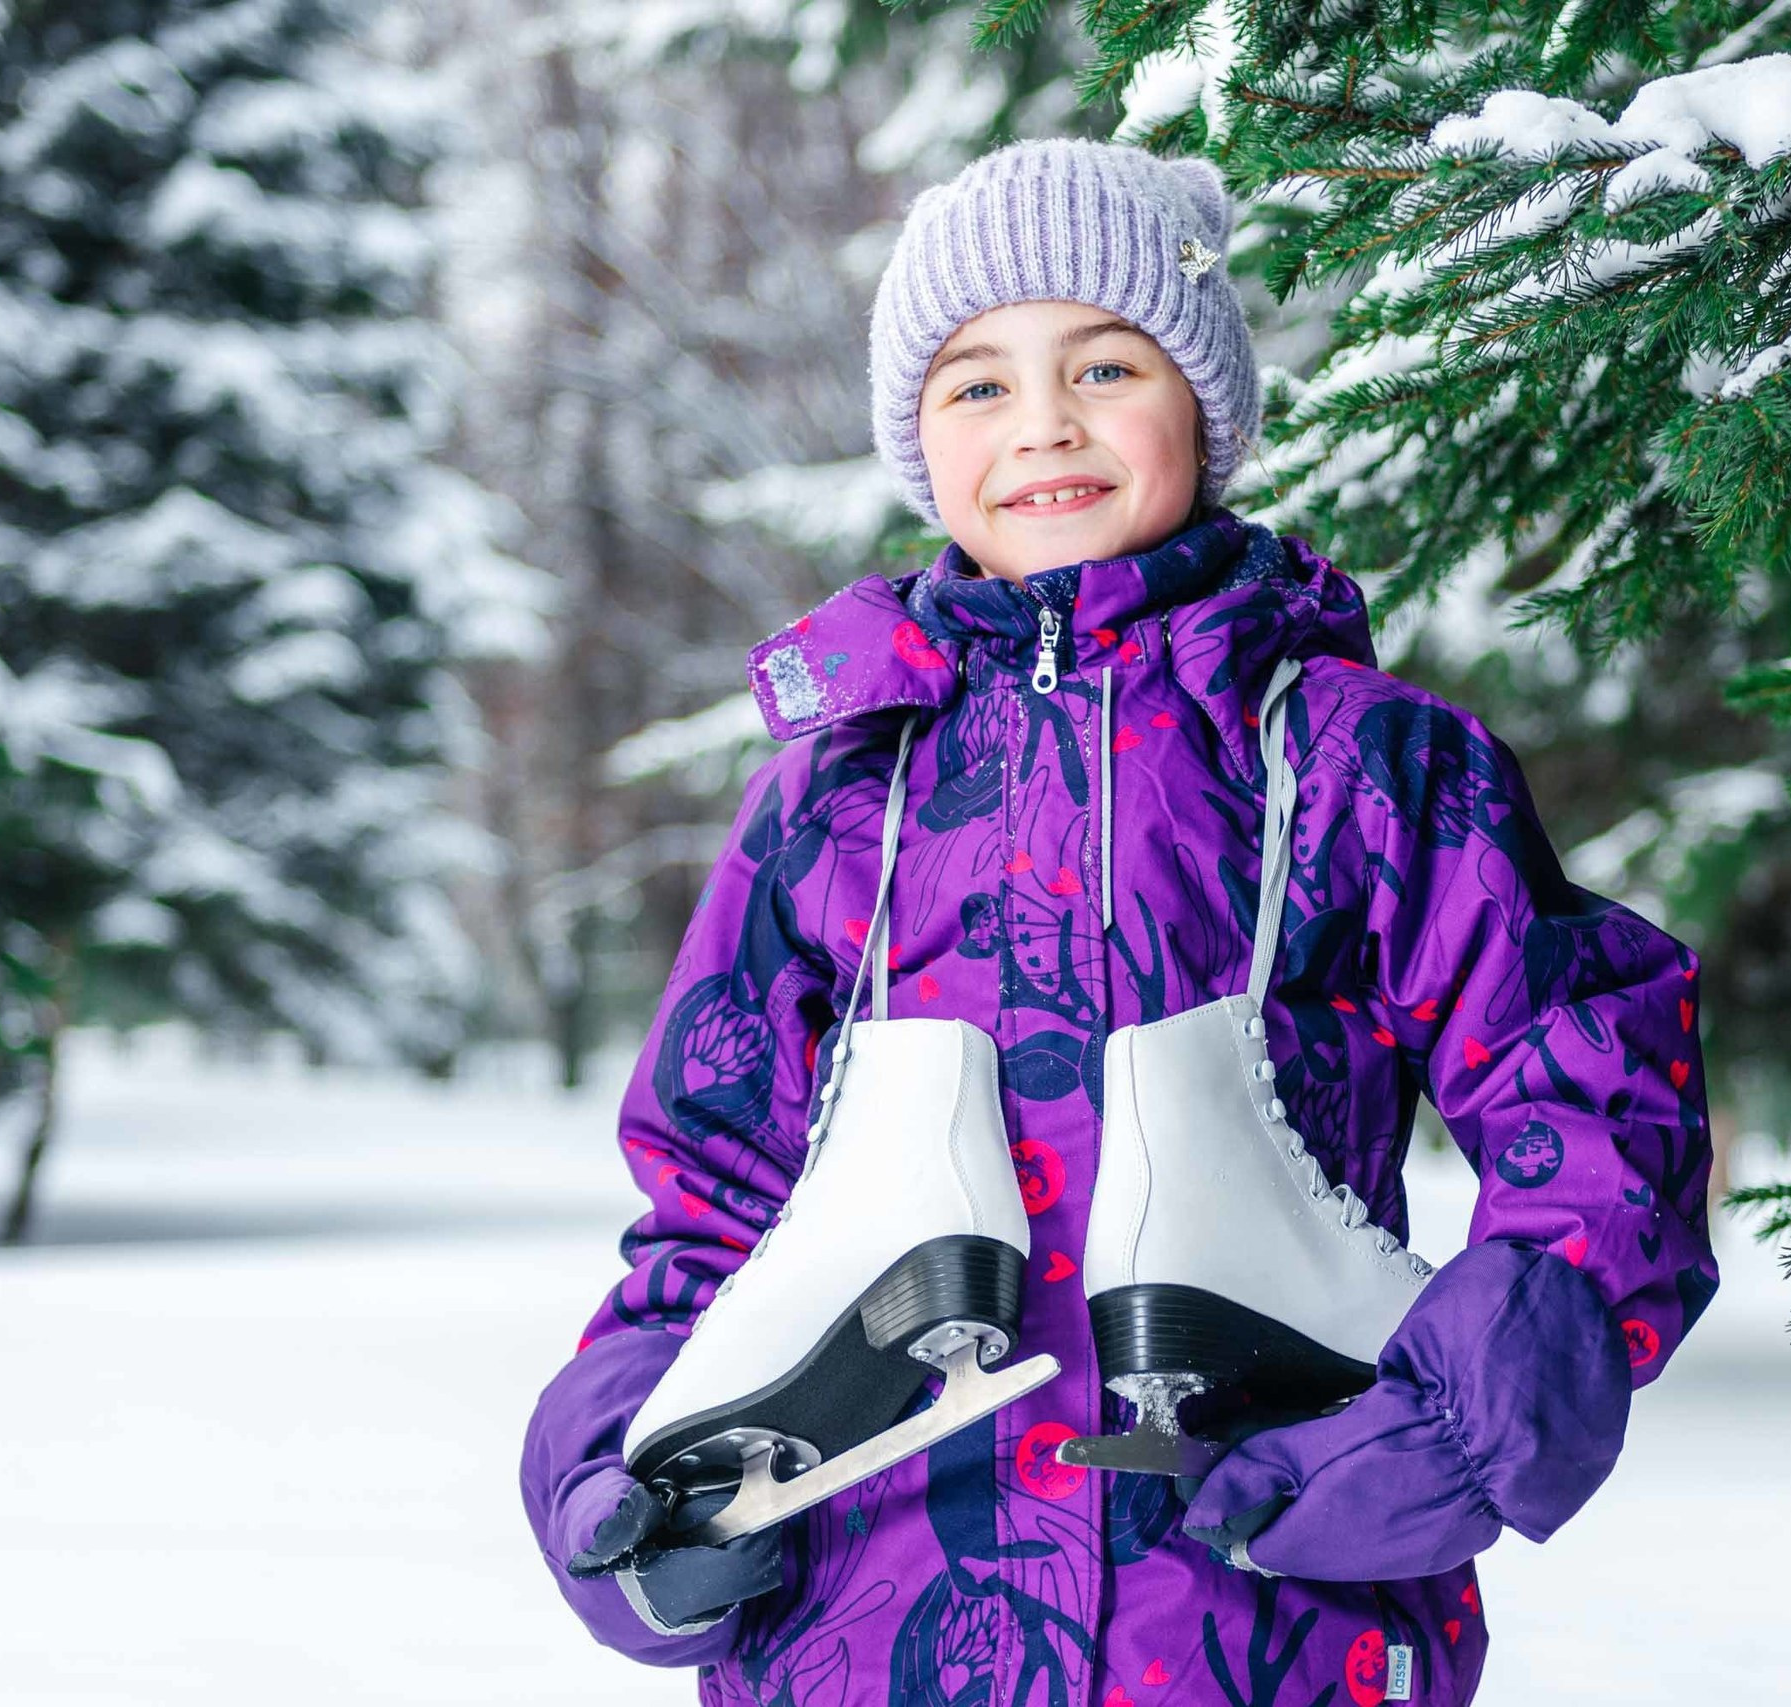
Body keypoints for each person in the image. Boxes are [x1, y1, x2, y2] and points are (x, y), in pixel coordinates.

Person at [519, 136, 1718, 1706]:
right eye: (977, 383)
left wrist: (1456, 1426)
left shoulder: (1359, 763)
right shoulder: (832, 802)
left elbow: (1590, 1102)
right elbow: (711, 1206)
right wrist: (620, 1478)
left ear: (1205, 408)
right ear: (917, 439)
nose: (1044, 424)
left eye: (1105, 364)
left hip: (1266, 1612)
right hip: (870, 1622)